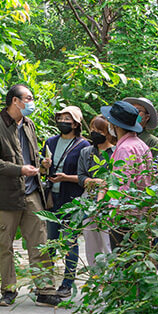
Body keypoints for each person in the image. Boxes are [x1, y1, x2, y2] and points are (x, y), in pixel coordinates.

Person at [0, 85, 54, 307]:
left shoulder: (29, 124)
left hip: (32, 191)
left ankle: (45, 288)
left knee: (40, 242)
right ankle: (8, 290)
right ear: (15, 101)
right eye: (29, 98)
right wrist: (20, 169)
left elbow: (31, 154)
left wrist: (41, 163)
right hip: (6, 195)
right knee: (5, 244)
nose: (32, 102)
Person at [40, 106, 90, 299]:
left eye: (67, 118)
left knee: (70, 242)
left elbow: (85, 176)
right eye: (60, 117)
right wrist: (44, 167)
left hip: (72, 200)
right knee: (50, 242)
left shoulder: (83, 146)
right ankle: (46, 284)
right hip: (52, 199)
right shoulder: (50, 142)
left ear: (76, 123)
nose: (62, 121)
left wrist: (65, 178)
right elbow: (43, 171)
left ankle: (67, 283)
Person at [100, 100, 154, 250]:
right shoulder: (141, 145)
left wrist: (112, 213)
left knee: (124, 262)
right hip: (140, 214)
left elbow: (122, 185)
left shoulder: (126, 149)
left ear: (115, 125)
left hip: (125, 217)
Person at [78, 115, 116, 279]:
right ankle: (96, 278)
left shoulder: (115, 152)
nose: (94, 133)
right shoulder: (86, 152)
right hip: (88, 201)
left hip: (109, 202)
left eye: (99, 130)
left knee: (108, 242)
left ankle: (113, 279)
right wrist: (91, 181)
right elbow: (80, 176)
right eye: (92, 129)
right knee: (91, 242)